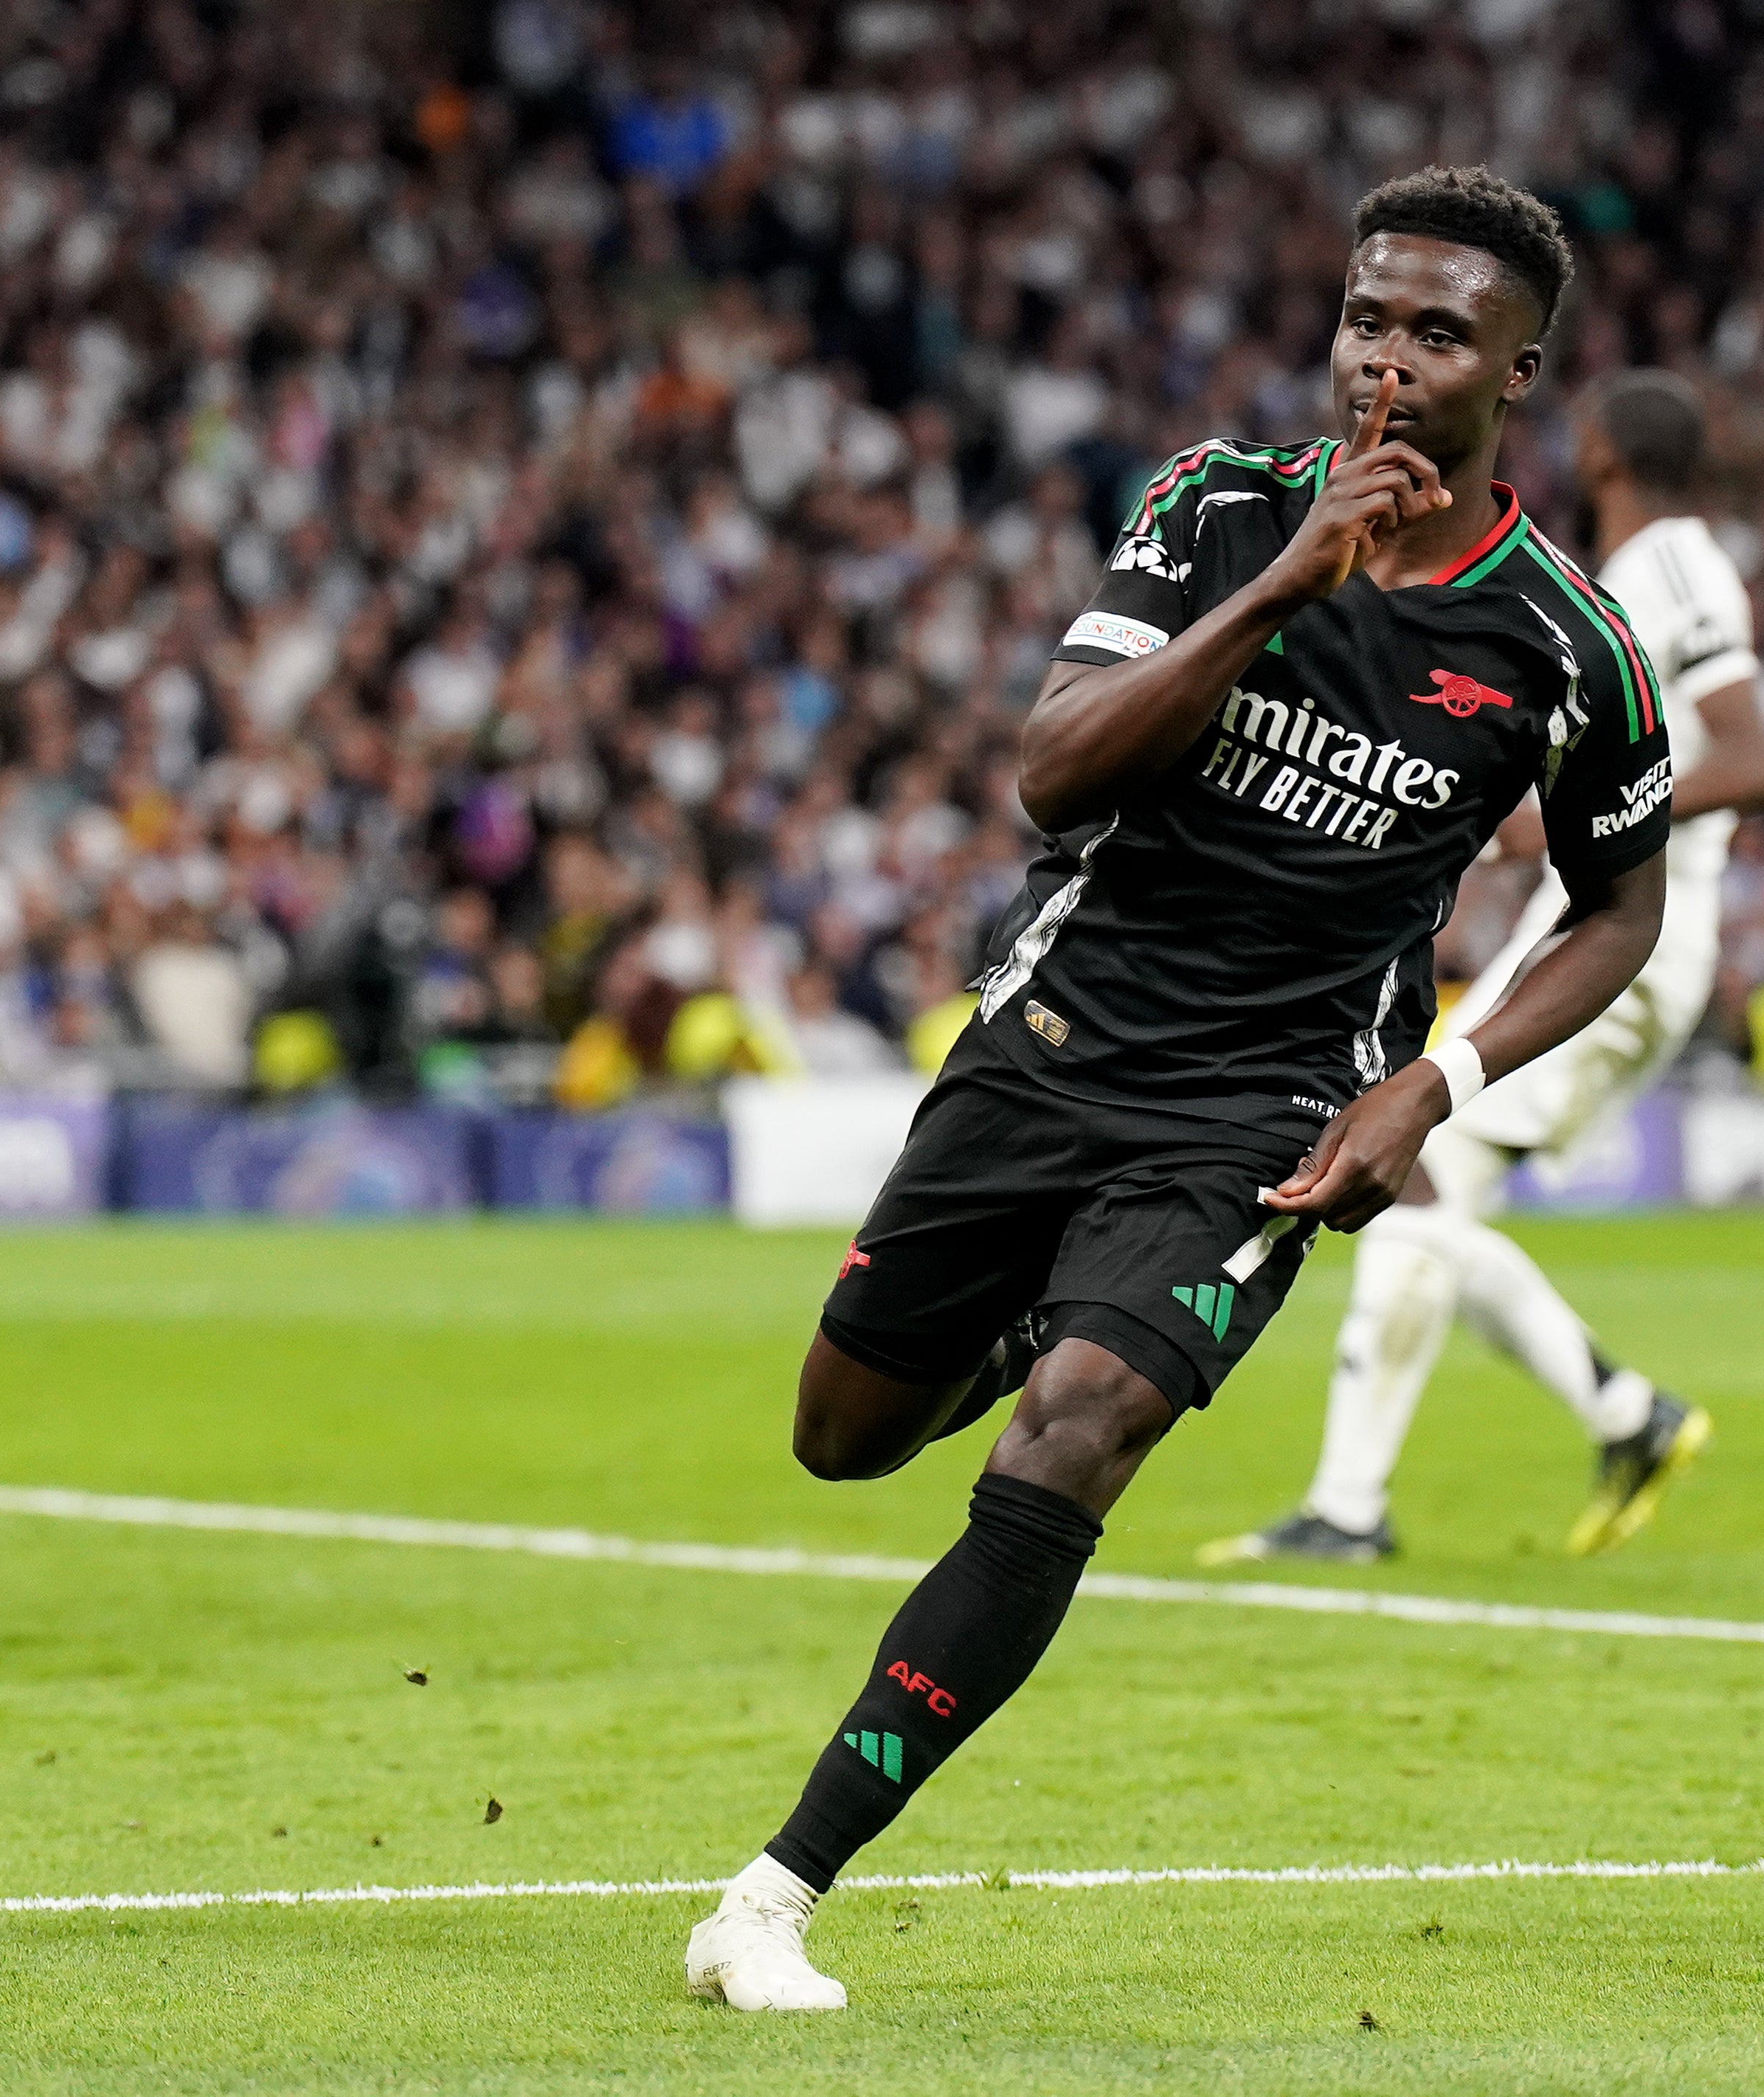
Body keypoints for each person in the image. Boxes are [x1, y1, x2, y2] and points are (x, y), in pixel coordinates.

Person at [682, 166, 1674, 2013]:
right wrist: (1287, 590)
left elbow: (1622, 910)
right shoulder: (1216, 509)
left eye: (1437, 333)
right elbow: (1054, 772)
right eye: (1365, 318)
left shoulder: (1565, 643)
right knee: (842, 1435)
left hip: (1268, 1114)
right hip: (1051, 1048)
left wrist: (1438, 1080)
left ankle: (771, 1895)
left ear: (1518, 372)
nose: (1386, 361)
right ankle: (1035, 1313)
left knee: (1078, 1427)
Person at [1202, 369, 1764, 1566]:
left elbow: (1752, 758)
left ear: (1606, 451)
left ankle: (1396, 1491)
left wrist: (1589, 819)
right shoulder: (1631, 574)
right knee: (1419, 1183)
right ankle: (1542, 1440)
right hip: (1601, 920)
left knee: (1411, 1165)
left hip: (1629, 930)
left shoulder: (1675, 567)